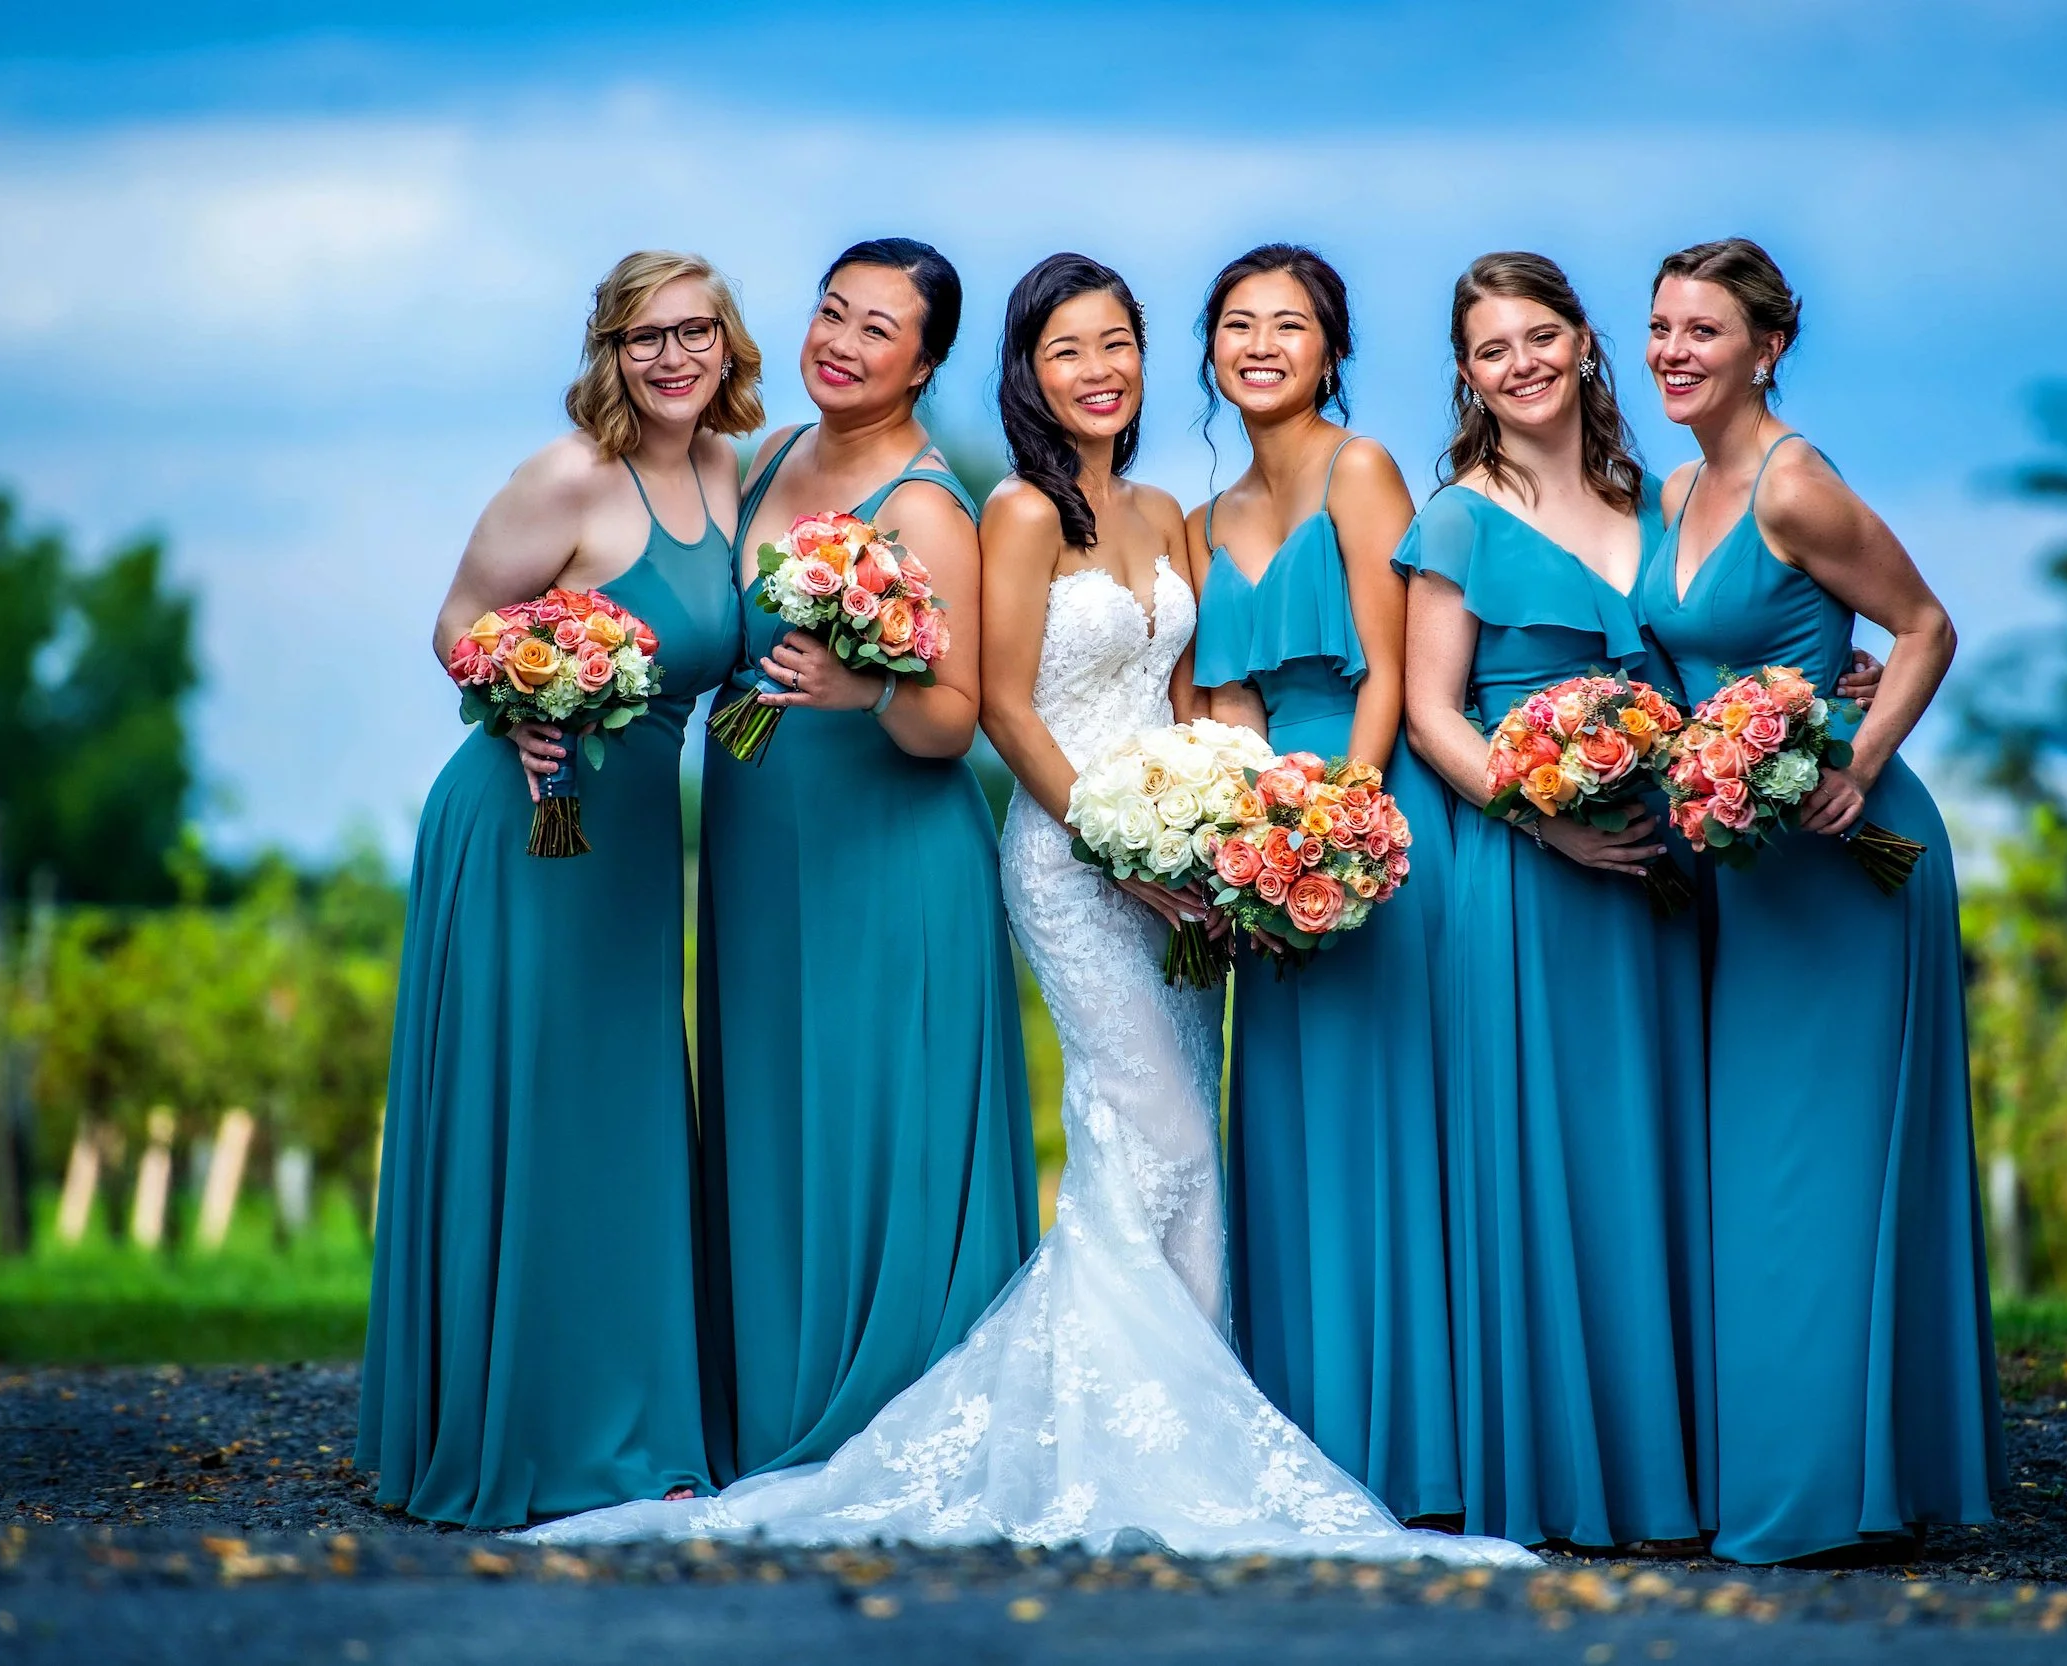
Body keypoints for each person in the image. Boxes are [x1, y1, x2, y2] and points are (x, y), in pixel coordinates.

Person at [518, 254, 1528, 1564]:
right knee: (1148, 1133)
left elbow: (1193, 698)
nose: (1096, 370)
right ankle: (1143, 1435)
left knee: (1186, 1143)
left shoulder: (1172, 514)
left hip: (1181, 861)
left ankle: (1193, 1415)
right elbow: (997, 704)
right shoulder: (1015, 514)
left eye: (1117, 344)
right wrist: (1117, 842)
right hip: (1071, 852)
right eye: (1065, 351)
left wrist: (1231, 828)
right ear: (1022, 373)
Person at [358, 251, 753, 1526]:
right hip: (530, 820)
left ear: (728, 342)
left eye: (696, 331)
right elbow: (460, 623)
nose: (675, 357)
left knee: (625, 1103)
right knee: (538, 1103)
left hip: (636, 836)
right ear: (609, 352)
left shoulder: (731, 474)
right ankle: (525, 1433)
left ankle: (636, 1421)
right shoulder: (566, 476)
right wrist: (517, 694)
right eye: (647, 338)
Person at [1633, 236, 2002, 1565]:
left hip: (1846, 864)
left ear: (1765, 347)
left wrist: (1855, 759)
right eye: (1663, 327)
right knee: (1758, 1168)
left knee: (1817, 1171)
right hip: (1748, 872)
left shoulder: (1797, 487)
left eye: (1704, 332)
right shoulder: (1679, 487)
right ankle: (1795, 1474)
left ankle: (1821, 1498)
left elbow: (1925, 625)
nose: (1674, 351)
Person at [694, 238, 1037, 1481]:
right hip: (755, 834)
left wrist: (857, 686)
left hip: (886, 845)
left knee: (870, 1107)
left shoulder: (929, 508)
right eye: (830, 312)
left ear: (925, 361)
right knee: (775, 1102)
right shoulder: (767, 457)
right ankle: (770, 1393)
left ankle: (889, 1403)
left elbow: (953, 723)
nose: (841, 341)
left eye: (877, 328)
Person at [1396, 251, 1712, 1550]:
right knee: (1537, 1154)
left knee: (1651, 1148)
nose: (1519, 363)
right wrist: (1546, 821)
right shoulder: (1461, 516)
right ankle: (1558, 1470)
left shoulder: (1665, 505)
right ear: (1468, 377)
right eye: (1490, 349)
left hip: (1656, 873)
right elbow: (1426, 714)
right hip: (1524, 875)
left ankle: (1669, 1468)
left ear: (1585, 344)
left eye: (1540, 336)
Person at [1185, 244, 1457, 1523]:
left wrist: (1336, 819)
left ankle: (1408, 1445)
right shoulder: (1205, 520)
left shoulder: (1364, 472)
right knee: (1285, 1125)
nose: (1261, 344)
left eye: (1288, 325)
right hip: (1264, 846)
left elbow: (1397, 669)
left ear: (1331, 351)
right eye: (1238, 324)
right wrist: (1252, 832)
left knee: (1379, 1121)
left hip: (1373, 815)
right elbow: (1226, 697)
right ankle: (1304, 1435)